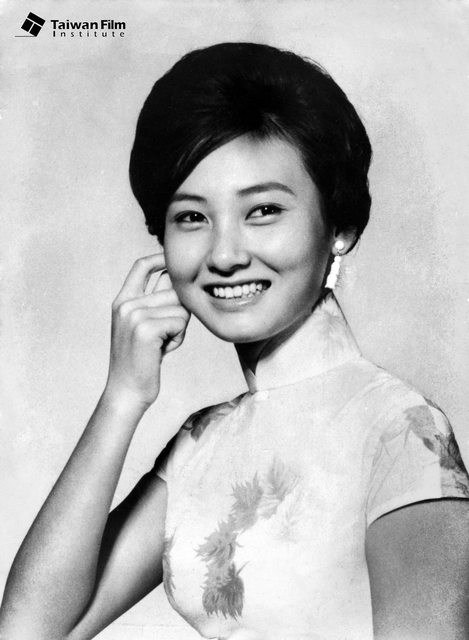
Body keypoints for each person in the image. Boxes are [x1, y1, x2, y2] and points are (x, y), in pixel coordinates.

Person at [1, 42, 469, 640]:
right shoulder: (203, 443)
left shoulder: (399, 431)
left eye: (263, 210)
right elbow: (26, 631)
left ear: (340, 226)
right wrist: (123, 397)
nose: (224, 254)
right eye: (192, 217)